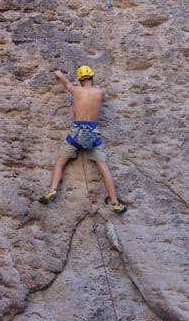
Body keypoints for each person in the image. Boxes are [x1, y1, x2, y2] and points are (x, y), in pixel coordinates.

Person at [40, 65, 126, 213]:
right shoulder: (100, 92)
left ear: (80, 80)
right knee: (103, 167)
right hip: (92, 132)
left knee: (60, 163)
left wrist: (59, 74)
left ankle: (52, 189)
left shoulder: (75, 90)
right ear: (92, 77)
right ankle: (115, 202)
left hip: (76, 131)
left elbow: (66, 83)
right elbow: (99, 94)